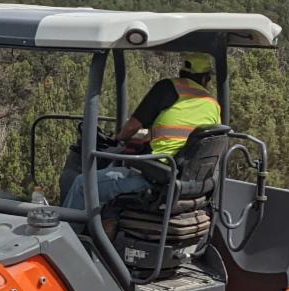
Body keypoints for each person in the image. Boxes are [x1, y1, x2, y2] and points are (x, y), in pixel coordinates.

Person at [63, 52, 221, 212]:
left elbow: (132, 127)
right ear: (205, 79)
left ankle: (72, 234)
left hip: (157, 178)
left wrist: (118, 138)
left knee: (81, 184)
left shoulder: (168, 87)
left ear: (181, 74)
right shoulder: (213, 105)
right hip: (190, 183)